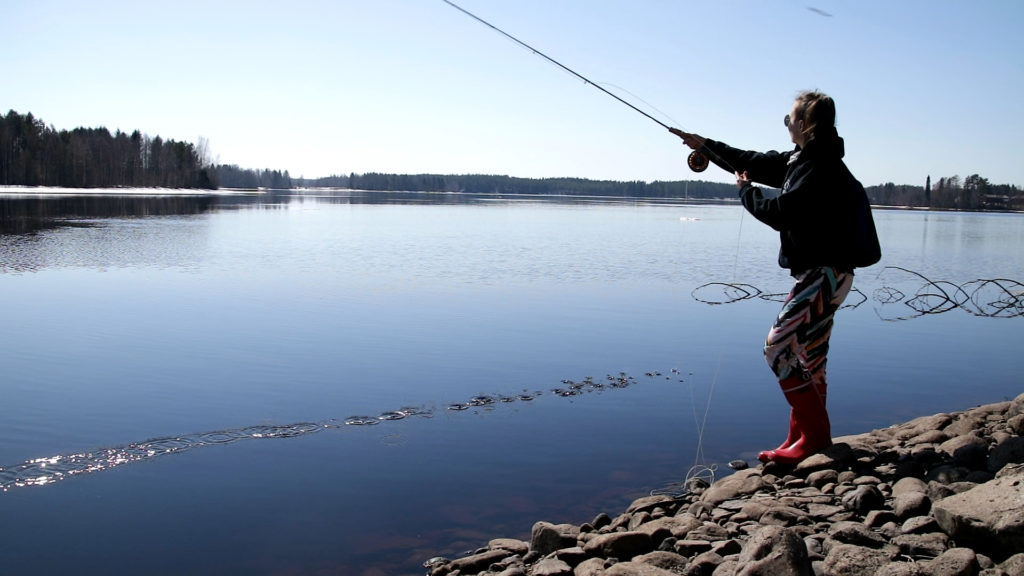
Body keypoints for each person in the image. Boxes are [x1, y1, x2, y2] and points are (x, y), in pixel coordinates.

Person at [670, 91, 881, 465]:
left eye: (788, 120)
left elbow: (781, 213)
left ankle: (814, 438)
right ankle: (802, 437)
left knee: (778, 348)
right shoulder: (806, 159)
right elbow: (752, 160)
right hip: (828, 273)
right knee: (810, 356)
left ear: (804, 124)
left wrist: (746, 192)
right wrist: (705, 145)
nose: (786, 126)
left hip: (824, 274)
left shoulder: (818, 166)